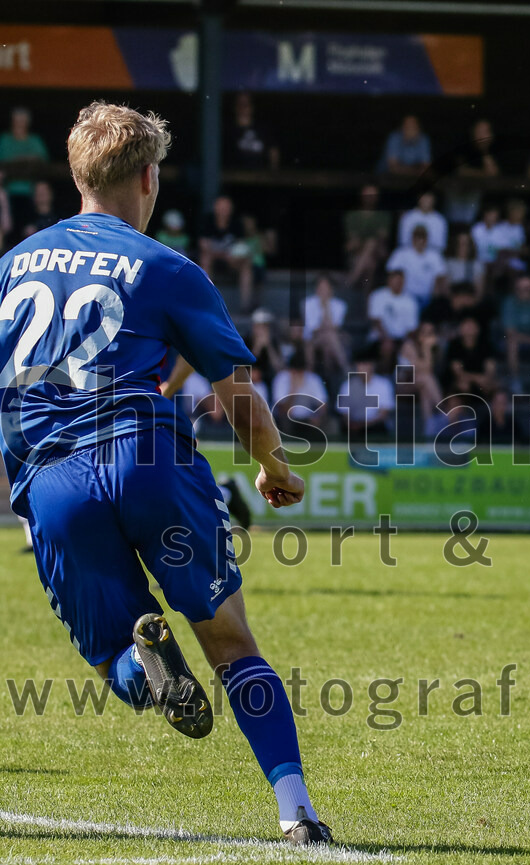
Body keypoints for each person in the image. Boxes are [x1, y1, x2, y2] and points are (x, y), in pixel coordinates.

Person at [0, 102, 332, 844]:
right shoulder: (167, 267)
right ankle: (296, 811)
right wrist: (273, 463)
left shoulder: (10, 266)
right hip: (146, 458)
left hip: (52, 482)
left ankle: (144, 657)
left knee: (117, 650)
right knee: (230, 641)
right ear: (149, 179)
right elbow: (235, 390)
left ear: (76, 174)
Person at [198, 194, 255, 311]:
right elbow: (203, 245)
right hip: (213, 259)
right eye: (221, 207)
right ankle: (206, 301)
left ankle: (245, 305)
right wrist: (222, 254)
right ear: (215, 207)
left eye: (227, 207)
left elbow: (242, 247)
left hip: (231, 261)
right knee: (205, 259)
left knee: (247, 265)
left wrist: (234, 256)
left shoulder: (236, 224)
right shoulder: (207, 221)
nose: (224, 210)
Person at [0, 107, 49, 228]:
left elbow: (44, 164)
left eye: (23, 120)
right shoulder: (5, 140)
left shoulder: (34, 141)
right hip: (7, 191)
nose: (20, 123)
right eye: (17, 120)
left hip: (31, 191)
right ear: (12, 121)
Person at [344, 184, 393, 290]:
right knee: (370, 263)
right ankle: (366, 300)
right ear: (362, 195)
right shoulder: (352, 215)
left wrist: (364, 239)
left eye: (373, 194)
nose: (370, 197)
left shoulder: (383, 215)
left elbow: (383, 238)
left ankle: (350, 282)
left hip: (379, 252)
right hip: (359, 254)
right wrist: (371, 236)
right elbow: (353, 241)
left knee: (372, 243)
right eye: (368, 194)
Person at [385, 224, 447, 308]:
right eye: (417, 237)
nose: (420, 240)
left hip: (428, 298)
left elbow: (440, 277)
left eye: (423, 237)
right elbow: (391, 273)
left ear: (427, 239)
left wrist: (435, 296)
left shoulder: (434, 255)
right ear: (412, 238)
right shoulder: (401, 253)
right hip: (405, 297)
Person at [302, 273, 349, 380]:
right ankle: (346, 369)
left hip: (330, 339)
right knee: (329, 336)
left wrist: (326, 307)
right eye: (320, 287)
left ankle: (327, 379)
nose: (323, 290)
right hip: (312, 339)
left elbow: (336, 327)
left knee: (329, 341)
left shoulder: (340, 305)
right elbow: (313, 329)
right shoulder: (308, 303)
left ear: (331, 289)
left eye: (326, 287)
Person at [443, 315, 497, 398]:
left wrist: (485, 379)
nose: (469, 329)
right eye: (466, 325)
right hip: (462, 379)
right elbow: (458, 372)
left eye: (472, 326)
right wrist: (477, 378)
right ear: (461, 329)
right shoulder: (454, 345)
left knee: (491, 385)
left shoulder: (485, 344)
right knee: (463, 385)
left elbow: (490, 368)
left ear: (478, 329)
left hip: (481, 380)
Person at [224, 92, 280, 171]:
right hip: (235, 178)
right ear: (234, 107)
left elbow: (273, 151)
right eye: (240, 103)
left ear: (252, 107)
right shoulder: (227, 131)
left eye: (246, 104)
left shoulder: (262, 129)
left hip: (260, 178)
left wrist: (273, 172)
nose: (243, 107)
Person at [367, 269, 420, 342]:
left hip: (401, 341)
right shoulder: (377, 295)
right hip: (380, 339)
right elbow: (376, 321)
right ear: (389, 281)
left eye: (400, 282)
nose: (398, 284)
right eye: (396, 281)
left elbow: (412, 328)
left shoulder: (411, 301)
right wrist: (386, 339)